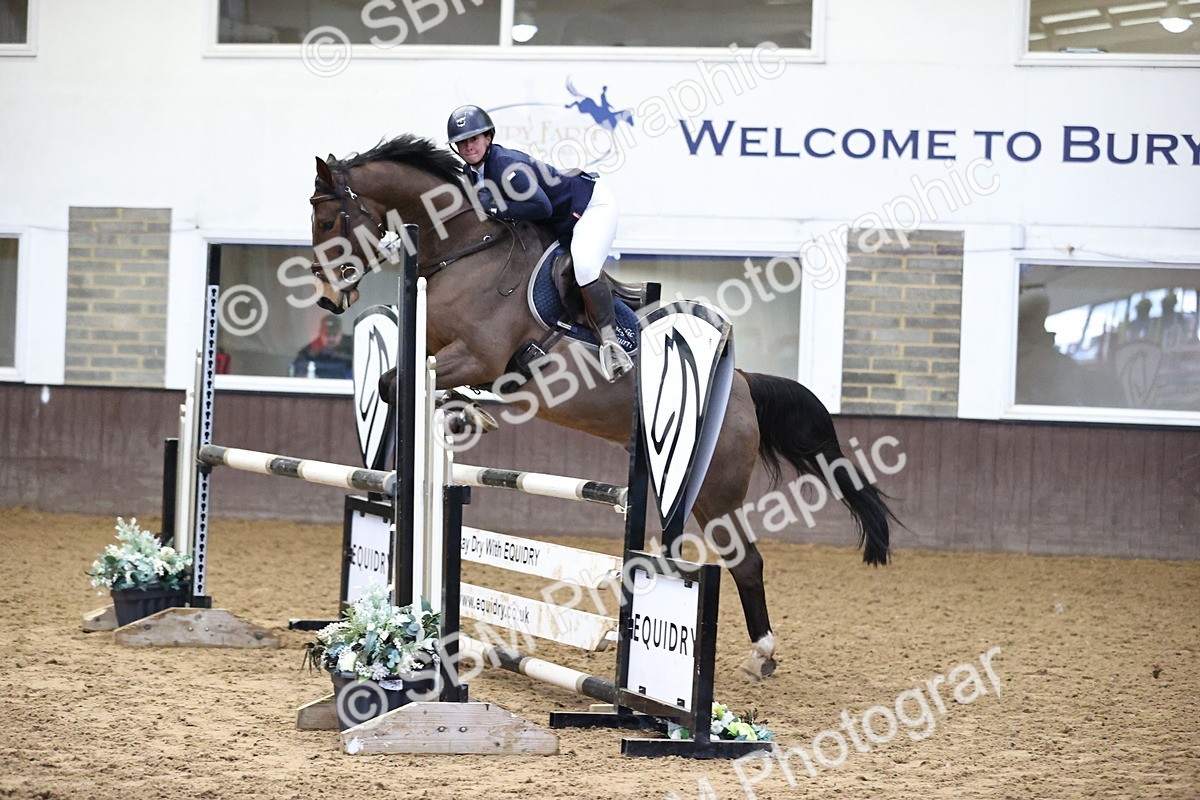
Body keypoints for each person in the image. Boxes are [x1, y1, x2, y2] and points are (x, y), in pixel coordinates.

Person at [446, 104, 633, 383]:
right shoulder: (471, 173)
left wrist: (496, 208)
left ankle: (611, 343)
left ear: (488, 138)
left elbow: (541, 207)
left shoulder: (506, 165)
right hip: (560, 223)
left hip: (590, 207)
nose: (468, 147)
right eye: (461, 142)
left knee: (583, 265)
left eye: (473, 139)